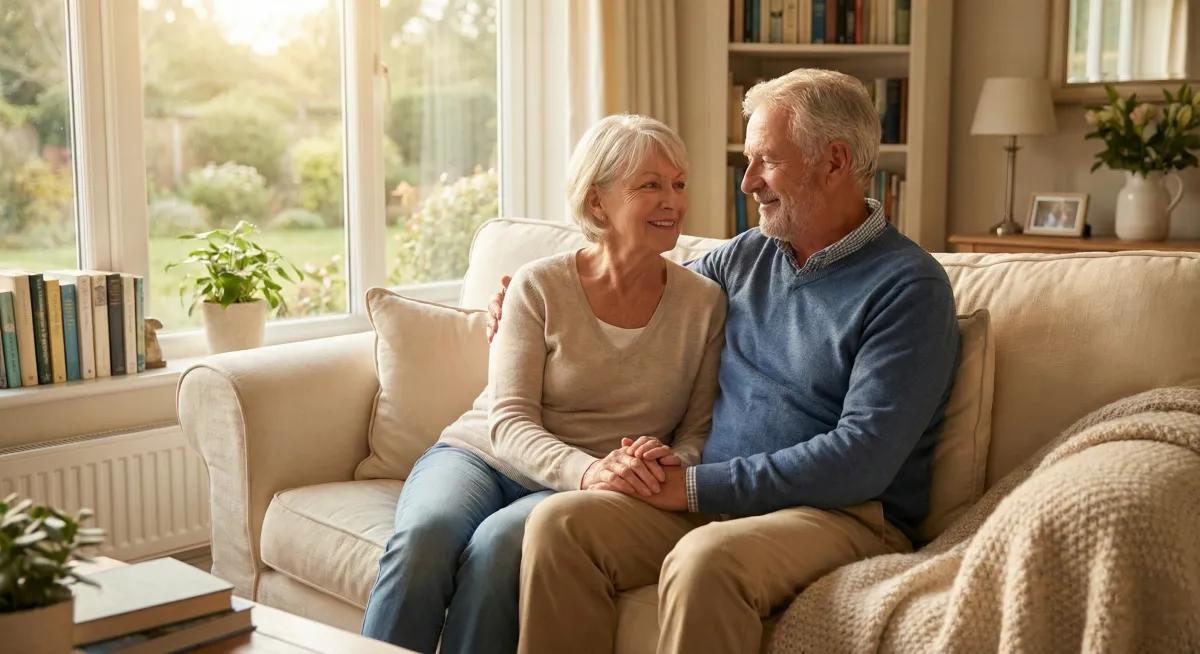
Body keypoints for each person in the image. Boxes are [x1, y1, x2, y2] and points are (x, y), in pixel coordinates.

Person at [486, 69, 961, 654]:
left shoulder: (908, 287)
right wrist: (525, 302)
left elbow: (862, 459)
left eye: (767, 161)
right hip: (713, 498)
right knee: (563, 525)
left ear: (834, 162)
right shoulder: (745, 257)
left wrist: (691, 488)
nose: (748, 182)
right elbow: (643, 294)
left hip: (841, 514)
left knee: (705, 559)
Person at [359, 114, 727, 654]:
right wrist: (589, 469)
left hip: (588, 490)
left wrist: (667, 462)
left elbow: (698, 432)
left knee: (499, 546)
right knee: (425, 537)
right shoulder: (539, 284)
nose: (673, 200)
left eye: (678, 184)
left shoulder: (704, 303)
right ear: (598, 201)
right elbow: (507, 421)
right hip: (483, 456)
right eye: (650, 185)